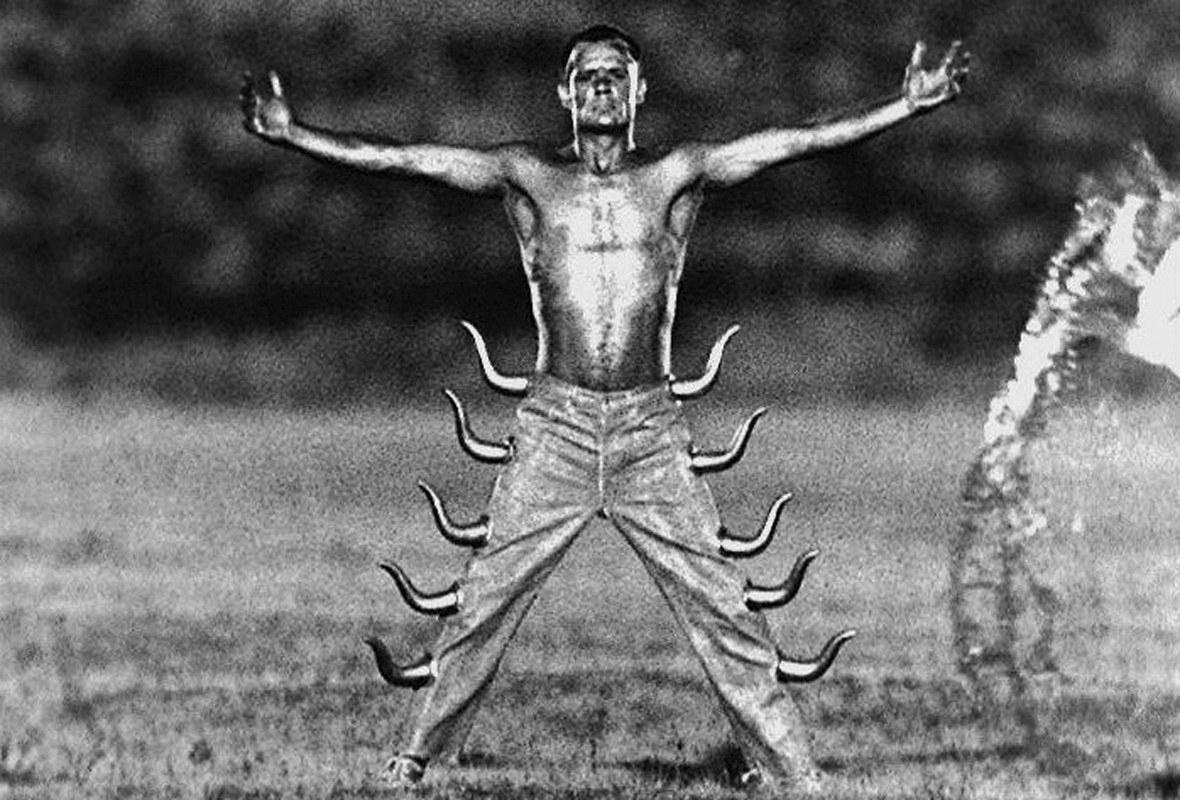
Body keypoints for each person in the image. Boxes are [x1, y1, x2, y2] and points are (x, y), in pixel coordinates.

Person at [240, 24, 968, 792]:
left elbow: (796, 140)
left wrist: (903, 106)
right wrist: (296, 135)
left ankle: (793, 772)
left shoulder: (676, 173)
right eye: (586, 75)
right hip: (554, 426)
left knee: (721, 604)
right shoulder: (527, 174)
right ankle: (416, 761)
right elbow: (407, 157)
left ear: (639, 91)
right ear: (564, 92)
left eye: (615, 74)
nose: (600, 86)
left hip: (650, 431)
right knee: (485, 599)